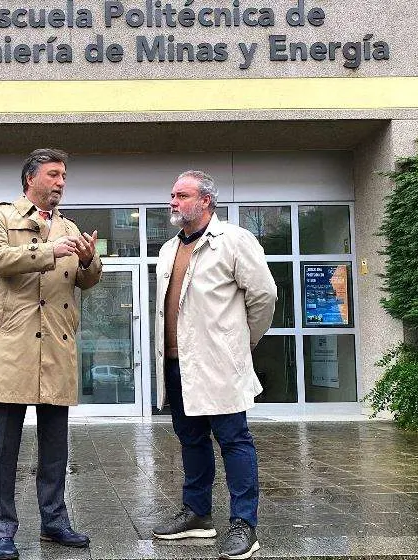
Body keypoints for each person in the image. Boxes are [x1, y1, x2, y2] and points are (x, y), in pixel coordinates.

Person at [0, 148, 102, 560]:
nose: (61, 182)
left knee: (55, 448)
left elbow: (86, 279)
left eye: (64, 175)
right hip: (13, 345)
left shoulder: (69, 225)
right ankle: (1, 531)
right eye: (53, 174)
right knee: (2, 450)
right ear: (31, 178)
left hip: (57, 344)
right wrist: (51, 251)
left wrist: (88, 261)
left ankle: (54, 521)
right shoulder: (2, 216)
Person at [152, 170, 277, 560]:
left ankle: (244, 523)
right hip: (177, 366)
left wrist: (242, 343)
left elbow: (264, 296)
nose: (173, 201)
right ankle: (198, 514)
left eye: (182, 195)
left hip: (219, 364)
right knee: (191, 440)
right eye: (172, 195)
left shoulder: (234, 240)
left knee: (234, 440)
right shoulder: (169, 249)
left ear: (206, 200)